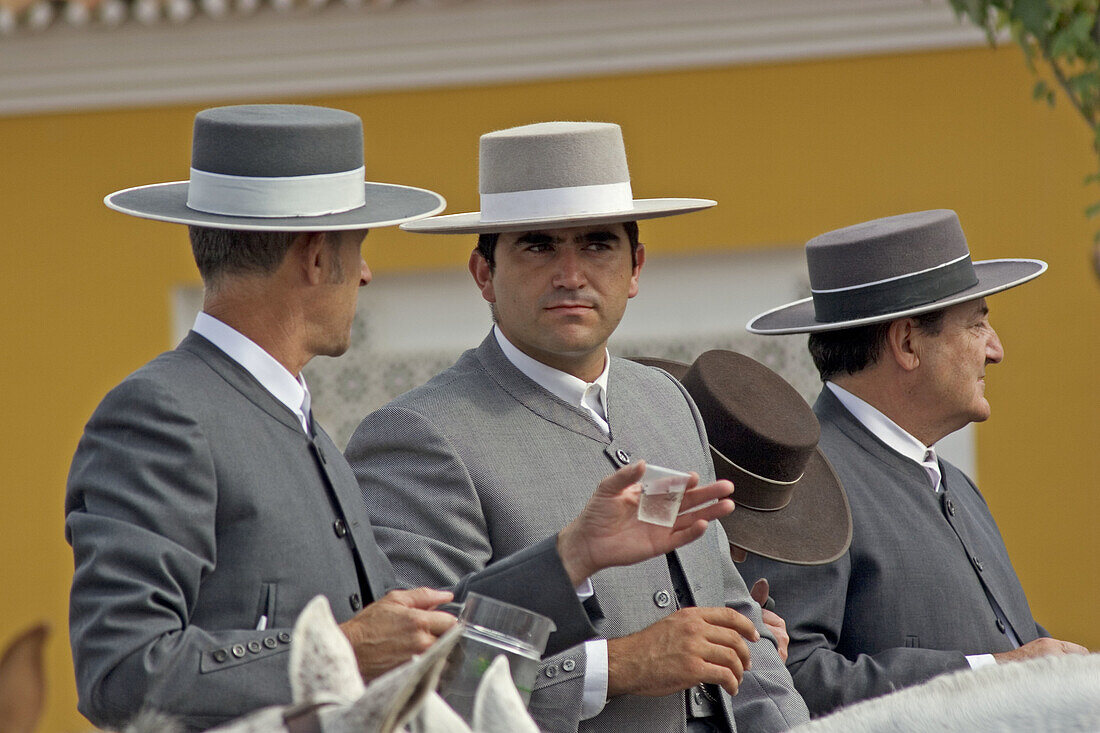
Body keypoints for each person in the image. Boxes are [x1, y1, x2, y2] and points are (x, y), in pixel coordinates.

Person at [65, 106, 735, 732]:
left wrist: (570, 557)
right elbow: (120, 671)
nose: (366, 274)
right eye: (357, 245)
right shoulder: (163, 412)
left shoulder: (297, 424)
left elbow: (425, 653)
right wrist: (340, 649)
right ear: (317, 255)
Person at [346, 121, 810, 733]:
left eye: (597, 245)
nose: (571, 274)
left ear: (635, 267)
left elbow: (730, 616)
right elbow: (418, 685)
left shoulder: (665, 402)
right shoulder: (421, 436)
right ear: (482, 273)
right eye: (538, 246)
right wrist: (611, 668)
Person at [740, 209, 1089, 716]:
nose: (996, 349)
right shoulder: (803, 484)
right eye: (977, 324)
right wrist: (994, 671)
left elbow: (1022, 651)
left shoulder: (956, 486)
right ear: (906, 343)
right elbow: (789, 680)